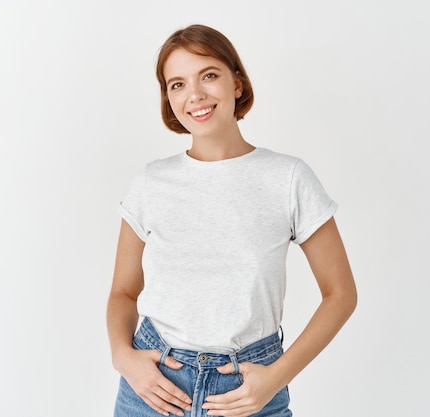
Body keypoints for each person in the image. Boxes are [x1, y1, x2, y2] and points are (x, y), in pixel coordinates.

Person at [107, 24, 357, 417]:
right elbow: (123, 292)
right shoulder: (150, 182)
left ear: (236, 83)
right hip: (153, 390)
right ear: (168, 98)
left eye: (208, 75)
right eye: (177, 84)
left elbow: (341, 294)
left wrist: (276, 376)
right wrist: (123, 357)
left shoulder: (287, 177)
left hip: (249, 391)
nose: (195, 95)